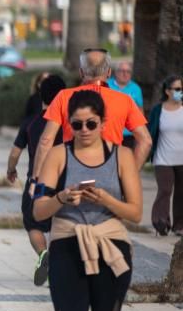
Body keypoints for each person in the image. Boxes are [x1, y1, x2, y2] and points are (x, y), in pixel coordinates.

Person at [33, 90, 141, 311]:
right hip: (68, 245)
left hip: (111, 247)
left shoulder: (122, 156)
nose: (83, 129)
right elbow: (38, 210)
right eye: (76, 124)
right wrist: (62, 197)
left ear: (103, 123)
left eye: (90, 123)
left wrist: (107, 198)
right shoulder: (57, 155)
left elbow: (136, 213)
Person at [33, 49, 150, 180]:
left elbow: (45, 140)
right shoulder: (125, 100)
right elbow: (145, 140)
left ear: (81, 72)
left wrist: (36, 178)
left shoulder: (63, 97)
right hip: (111, 173)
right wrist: (129, 175)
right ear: (109, 72)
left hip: (71, 172)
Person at [7, 75, 67, 285]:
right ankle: (61, 264)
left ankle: (43, 253)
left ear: (40, 95)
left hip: (38, 183)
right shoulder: (71, 124)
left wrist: (11, 170)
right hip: (64, 182)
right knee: (61, 223)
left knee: (33, 223)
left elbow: (15, 152)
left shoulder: (31, 122)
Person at [149, 74, 183, 236]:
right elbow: (150, 133)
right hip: (163, 158)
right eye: (177, 89)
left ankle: (179, 225)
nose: (180, 92)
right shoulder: (158, 110)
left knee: (181, 192)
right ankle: (160, 222)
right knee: (165, 189)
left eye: (181, 89)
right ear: (168, 91)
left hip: (181, 159)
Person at [108, 61, 144, 149]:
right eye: (122, 71)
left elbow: (140, 111)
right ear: (116, 72)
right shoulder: (106, 85)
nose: (125, 74)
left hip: (128, 134)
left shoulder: (136, 88)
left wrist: (140, 132)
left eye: (128, 72)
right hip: (109, 133)